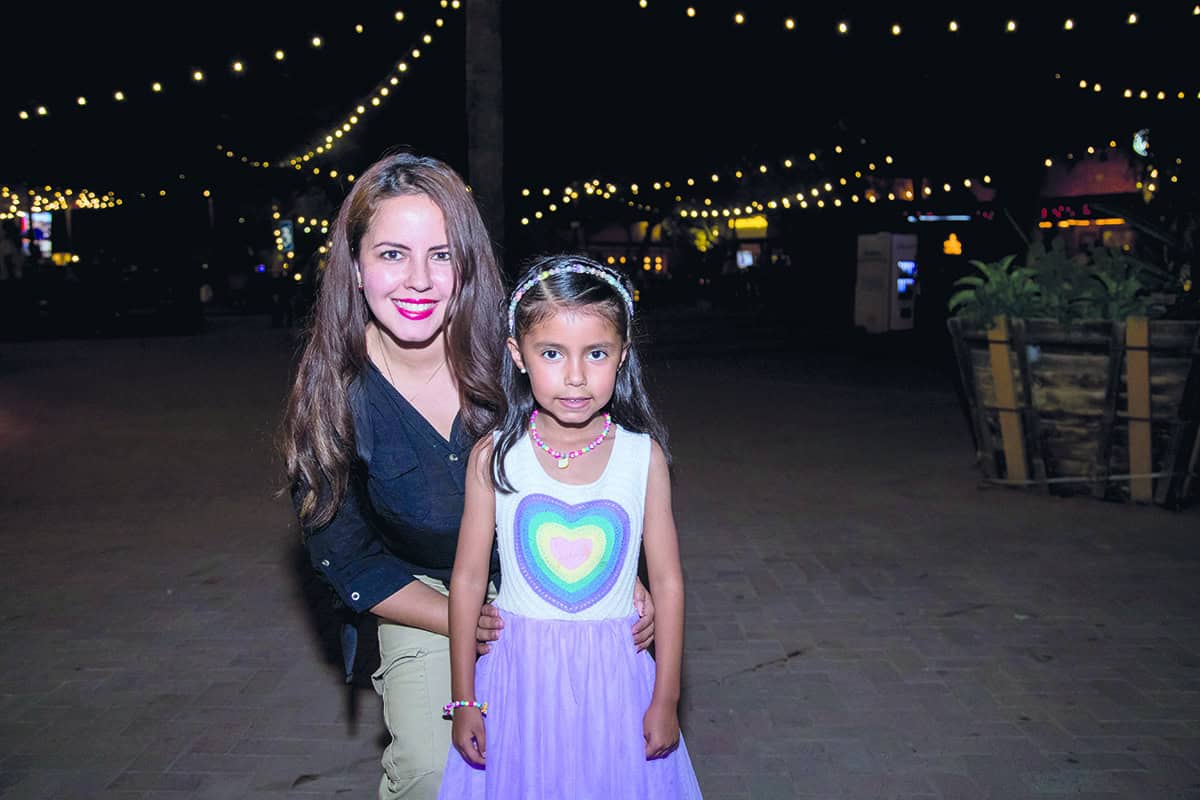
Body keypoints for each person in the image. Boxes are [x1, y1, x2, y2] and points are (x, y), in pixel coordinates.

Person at [279, 151, 656, 800]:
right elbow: (348, 560)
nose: (419, 280)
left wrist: (630, 580)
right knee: (436, 772)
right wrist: (460, 611)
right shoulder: (333, 397)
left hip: (552, 577)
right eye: (393, 254)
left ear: (468, 265)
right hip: (420, 591)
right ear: (356, 265)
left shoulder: (517, 357)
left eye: (443, 255)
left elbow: (599, 464)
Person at [439, 256, 703, 798]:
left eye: (597, 353)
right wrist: (464, 698)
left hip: (615, 680)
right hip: (519, 680)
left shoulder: (642, 457)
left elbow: (669, 581)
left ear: (622, 355)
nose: (576, 376)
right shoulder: (494, 457)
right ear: (518, 356)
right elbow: (466, 579)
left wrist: (667, 696)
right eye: (552, 353)